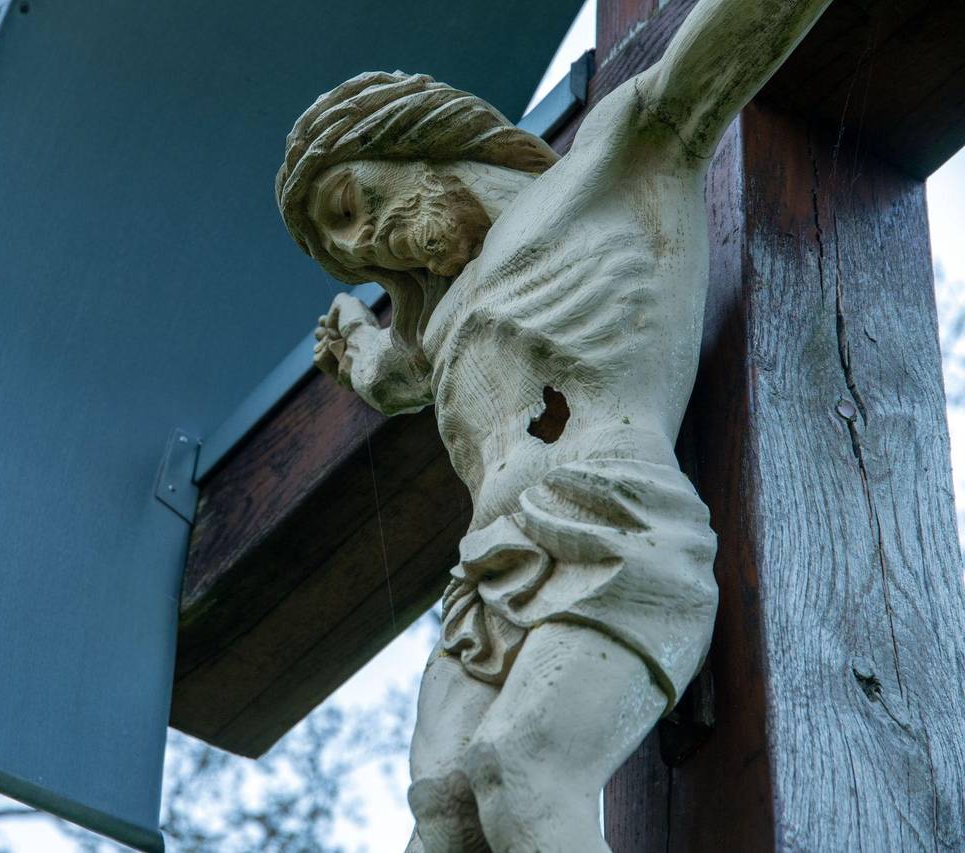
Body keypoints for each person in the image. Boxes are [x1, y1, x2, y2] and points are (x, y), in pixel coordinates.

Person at [275, 1, 833, 849]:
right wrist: (353, 332)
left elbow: (721, 48)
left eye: (350, 206)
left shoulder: (615, 160)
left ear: (410, 137)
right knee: (442, 812)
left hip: (612, 519)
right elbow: (392, 377)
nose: (364, 249)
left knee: (521, 768)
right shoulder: (445, 319)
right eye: (343, 252)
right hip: (488, 578)